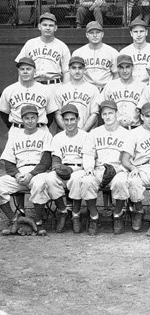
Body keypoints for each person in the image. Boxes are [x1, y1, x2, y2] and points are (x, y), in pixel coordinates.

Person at [0, 105, 55, 236]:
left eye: (33, 118)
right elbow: (8, 161)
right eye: (27, 118)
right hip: (19, 173)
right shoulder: (14, 136)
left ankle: (38, 221)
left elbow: (46, 161)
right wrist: (17, 174)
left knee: (39, 184)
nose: (30, 121)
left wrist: (31, 174)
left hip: (38, 173)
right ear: (22, 120)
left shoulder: (45, 135)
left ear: (38, 118)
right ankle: (15, 220)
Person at [81, 100, 130, 235]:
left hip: (118, 168)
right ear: (101, 116)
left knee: (121, 181)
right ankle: (94, 215)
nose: (108, 117)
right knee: (86, 181)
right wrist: (89, 168)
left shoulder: (126, 134)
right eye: (105, 114)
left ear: (117, 114)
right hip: (99, 168)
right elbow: (88, 154)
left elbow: (129, 157)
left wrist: (123, 169)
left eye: (111, 113)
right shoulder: (94, 133)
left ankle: (117, 214)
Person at [121, 103, 150, 234]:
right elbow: (125, 159)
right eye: (147, 116)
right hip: (140, 166)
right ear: (141, 117)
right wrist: (132, 167)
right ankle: (138, 210)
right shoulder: (134, 133)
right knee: (133, 181)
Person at [45, 104, 88, 233]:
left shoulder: (85, 136)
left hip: (80, 169)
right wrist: (58, 168)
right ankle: (63, 211)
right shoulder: (58, 137)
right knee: (50, 178)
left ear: (78, 119)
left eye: (72, 119)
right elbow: (56, 160)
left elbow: (88, 159)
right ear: (62, 121)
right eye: (66, 120)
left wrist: (76, 170)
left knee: (76, 179)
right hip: (63, 169)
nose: (69, 123)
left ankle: (75, 214)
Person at [0, 57, 57, 133]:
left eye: (28, 69)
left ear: (35, 71)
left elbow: (50, 114)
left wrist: (40, 126)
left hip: (40, 130)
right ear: (18, 71)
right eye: (22, 69)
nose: (25, 72)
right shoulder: (9, 90)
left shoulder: (45, 90)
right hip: (17, 130)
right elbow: (4, 113)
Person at [16, 12, 71, 86]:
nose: (48, 28)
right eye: (44, 25)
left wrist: (64, 90)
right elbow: (21, 67)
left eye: (51, 25)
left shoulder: (62, 46)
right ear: (39, 26)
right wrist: (21, 87)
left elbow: (66, 72)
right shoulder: (30, 44)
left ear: (55, 28)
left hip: (54, 85)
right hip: (34, 85)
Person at [54, 56, 100, 132]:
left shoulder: (93, 89)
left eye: (80, 68)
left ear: (84, 70)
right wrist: (68, 131)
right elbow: (57, 114)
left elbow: (94, 114)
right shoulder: (60, 90)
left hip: (87, 134)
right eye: (74, 68)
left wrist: (83, 132)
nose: (77, 71)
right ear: (69, 69)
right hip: (66, 134)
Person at [100, 54, 146, 130]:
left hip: (135, 128)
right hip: (115, 128)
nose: (125, 71)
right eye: (121, 68)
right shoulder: (110, 86)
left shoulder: (142, 87)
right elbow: (101, 106)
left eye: (127, 67)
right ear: (117, 69)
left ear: (132, 68)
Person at [72, 21, 119, 91]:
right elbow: (73, 74)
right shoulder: (78, 53)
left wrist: (111, 89)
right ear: (87, 35)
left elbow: (117, 74)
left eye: (97, 32)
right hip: (85, 90)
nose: (95, 35)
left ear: (102, 34)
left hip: (105, 90)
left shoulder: (112, 52)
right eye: (91, 33)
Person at [120, 19, 150, 83]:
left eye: (141, 31)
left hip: (149, 87)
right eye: (135, 32)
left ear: (146, 32)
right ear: (131, 33)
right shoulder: (124, 52)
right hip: (131, 87)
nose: (139, 35)